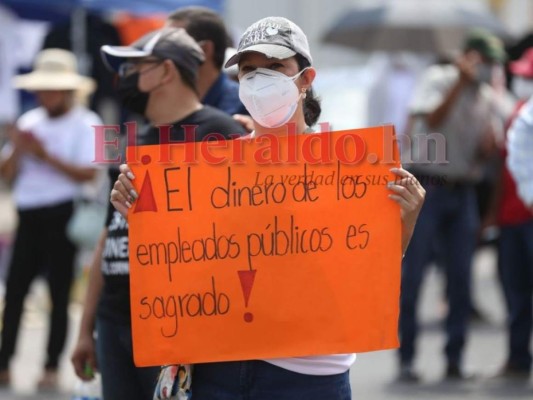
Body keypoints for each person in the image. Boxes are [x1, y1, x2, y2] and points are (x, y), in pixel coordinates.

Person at [110, 17, 425, 400]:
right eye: (248, 70)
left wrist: (403, 224)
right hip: (218, 368)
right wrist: (144, 219)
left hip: (308, 375)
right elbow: (191, 259)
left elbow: (363, 272)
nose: (260, 79)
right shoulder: (210, 169)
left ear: (306, 78)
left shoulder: (350, 169)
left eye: (275, 67)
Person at [70, 27, 247, 400]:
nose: (123, 78)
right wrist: (86, 328)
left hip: (173, 324)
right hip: (114, 318)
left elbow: (233, 240)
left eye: (134, 67)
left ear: (167, 71)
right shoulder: (132, 141)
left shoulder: (219, 135)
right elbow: (110, 232)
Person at [398, 29, 506, 382]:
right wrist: (459, 82)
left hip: (462, 191)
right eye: (484, 61)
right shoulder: (438, 78)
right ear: (469, 58)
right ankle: (407, 359)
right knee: (413, 276)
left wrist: (487, 147)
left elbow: (483, 149)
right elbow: (430, 120)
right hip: (427, 184)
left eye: (493, 64)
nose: (489, 69)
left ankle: (455, 359)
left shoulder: (487, 96)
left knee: (461, 279)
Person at [0, 48, 100, 389]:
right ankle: (4, 363)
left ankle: (50, 366)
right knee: (15, 292)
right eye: (41, 88)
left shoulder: (88, 122)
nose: (44, 95)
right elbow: (7, 173)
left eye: (51, 88)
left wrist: (44, 155)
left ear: (68, 90)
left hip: (63, 213)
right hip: (28, 213)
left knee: (58, 294)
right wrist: (15, 148)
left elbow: (89, 175)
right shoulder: (30, 122)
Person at [484, 47, 533, 381]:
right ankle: (518, 357)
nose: (522, 81)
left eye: (528, 77)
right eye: (522, 76)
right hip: (512, 219)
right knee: (515, 293)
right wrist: (492, 215)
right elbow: (504, 169)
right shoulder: (517, 112)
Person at [166, 6, 248, 117]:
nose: (162, 52)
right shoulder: (163, 104)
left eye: (173, 45)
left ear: (204, 49)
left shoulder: (245, 105)